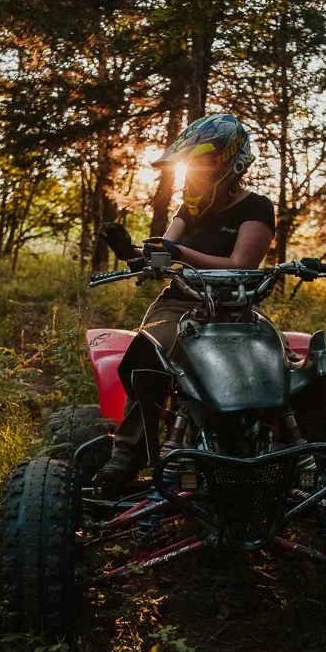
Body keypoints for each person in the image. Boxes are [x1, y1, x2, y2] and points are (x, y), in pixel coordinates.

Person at [94, 113, 276, 485]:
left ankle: (290, 455)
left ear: (230, 162)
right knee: (151, 356)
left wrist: (177, 251)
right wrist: (131, 252)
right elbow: (163, 251)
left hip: (235, 306)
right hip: (179, 301)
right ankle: (128, 455)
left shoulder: (256, 207)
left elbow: (239, 264)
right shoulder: (190, 207)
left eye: (205, 164)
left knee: (284, 367)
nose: (196, 173)